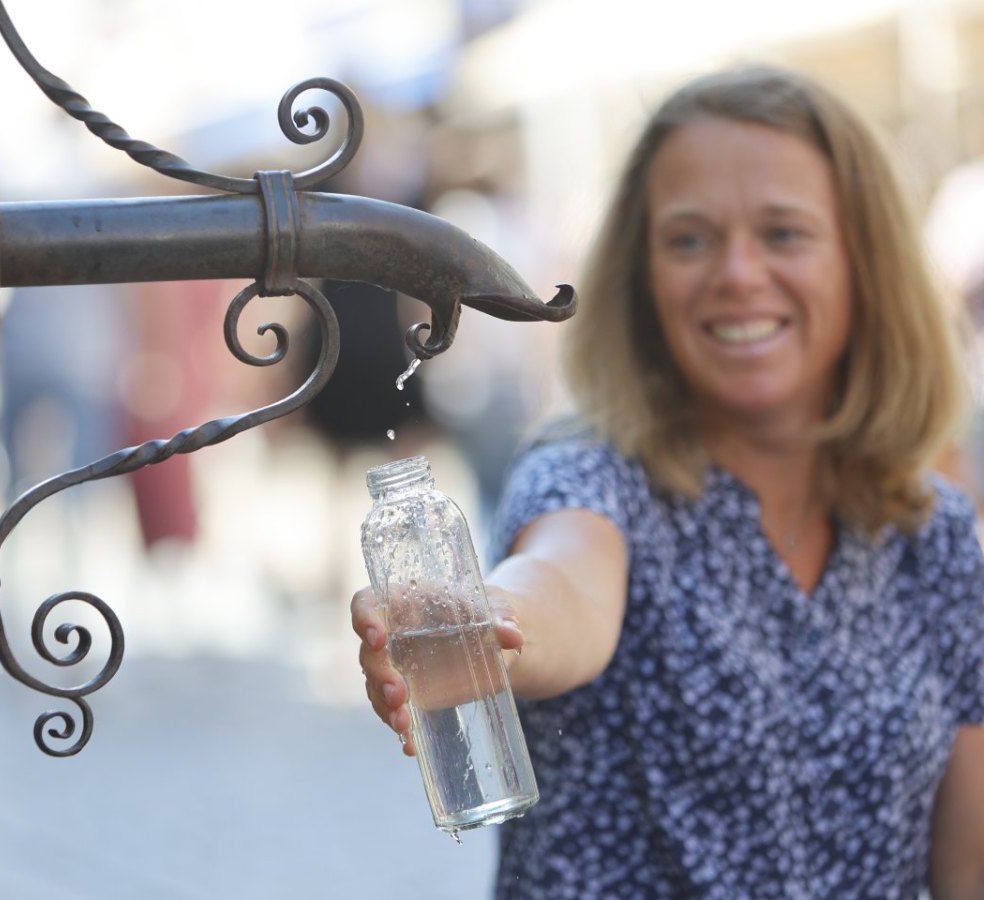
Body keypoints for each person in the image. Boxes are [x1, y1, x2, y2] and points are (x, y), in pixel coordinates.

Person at [351, 65, 984, 898]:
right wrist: (480, 623)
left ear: (866, 261)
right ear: (642, 279)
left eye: (784, 233)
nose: (737, 273)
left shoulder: (931, 535)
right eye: (689, 238)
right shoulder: (594, 480)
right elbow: (560, 591)